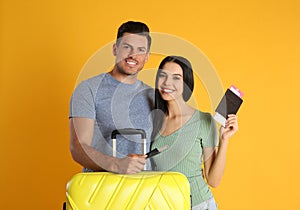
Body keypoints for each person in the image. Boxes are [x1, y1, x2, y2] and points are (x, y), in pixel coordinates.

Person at [150, 56, 238, 209]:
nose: (167, 83)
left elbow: (213, 180)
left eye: (176, 78)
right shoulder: (152, 119)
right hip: (164, 204)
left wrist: (224, 140)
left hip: (198, 204)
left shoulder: (203, 120)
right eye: (163, 75)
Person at [69, 21, 153, 174]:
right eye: (127, 47)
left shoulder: (153, 96)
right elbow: (78, 147)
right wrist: (117, 165)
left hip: (143, 191)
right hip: (101, 191)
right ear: (115, 49)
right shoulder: (88, 89)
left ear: (147, 57)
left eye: (140, 50)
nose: (133, 55)